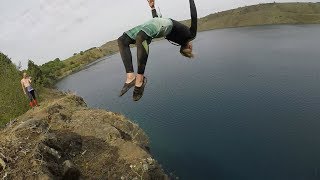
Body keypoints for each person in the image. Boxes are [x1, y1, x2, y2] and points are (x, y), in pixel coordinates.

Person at [118, 0, 197, 101]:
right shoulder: (178, 40)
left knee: (140, 37)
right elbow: (157, 20)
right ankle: (130, 77)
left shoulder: (191, 36)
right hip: (157, 24)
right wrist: (152, 7)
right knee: (122, 40)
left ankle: (140, 80)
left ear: (189, 47)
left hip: (165, 24)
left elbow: (193, 15)